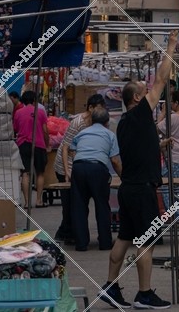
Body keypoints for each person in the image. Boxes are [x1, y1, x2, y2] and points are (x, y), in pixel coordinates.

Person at [100, 31, 178, 310]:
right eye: (145, 93)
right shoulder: (141, 111)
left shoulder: (123, 122)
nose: (151, 94)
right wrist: (170, 46)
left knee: (124, 238)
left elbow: (137, 150)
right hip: (143, 190)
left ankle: (110, 287)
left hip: (128, 189)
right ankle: (144, 294)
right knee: (146, 242)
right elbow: (160, 80)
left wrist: (160, 144)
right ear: (136, 98)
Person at [67, 106, 121, 251]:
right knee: (102, 206)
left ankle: (81, 243)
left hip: (78, 168)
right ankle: (105, 243)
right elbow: (115, 161)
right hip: (98, 169)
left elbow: (72, 150)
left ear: (91, 121)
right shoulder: (110, 135)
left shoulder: (82, 133)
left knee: (79, 207)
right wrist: (123, 177)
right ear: (107, 122)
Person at [54, 94, 107, 243]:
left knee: (77, 202)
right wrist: (66, 172)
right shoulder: (77, 123)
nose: (100, 112)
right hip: (66, 164)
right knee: (69, 203)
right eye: (98, 109)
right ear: (90, 108)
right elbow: (65, 148)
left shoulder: (97, 123)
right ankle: (65, 232)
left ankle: (70, 232)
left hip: (80, 163)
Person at [14, 89, 50, 209]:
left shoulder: (18, 113)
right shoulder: (40, 112)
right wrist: (47, 143)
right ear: (34, 101)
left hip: (23, 144)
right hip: (38, 144)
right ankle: (39, 201)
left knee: (25, 173)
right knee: (40, 173)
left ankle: (26, 203)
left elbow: (16, 129)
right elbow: (45, 131)